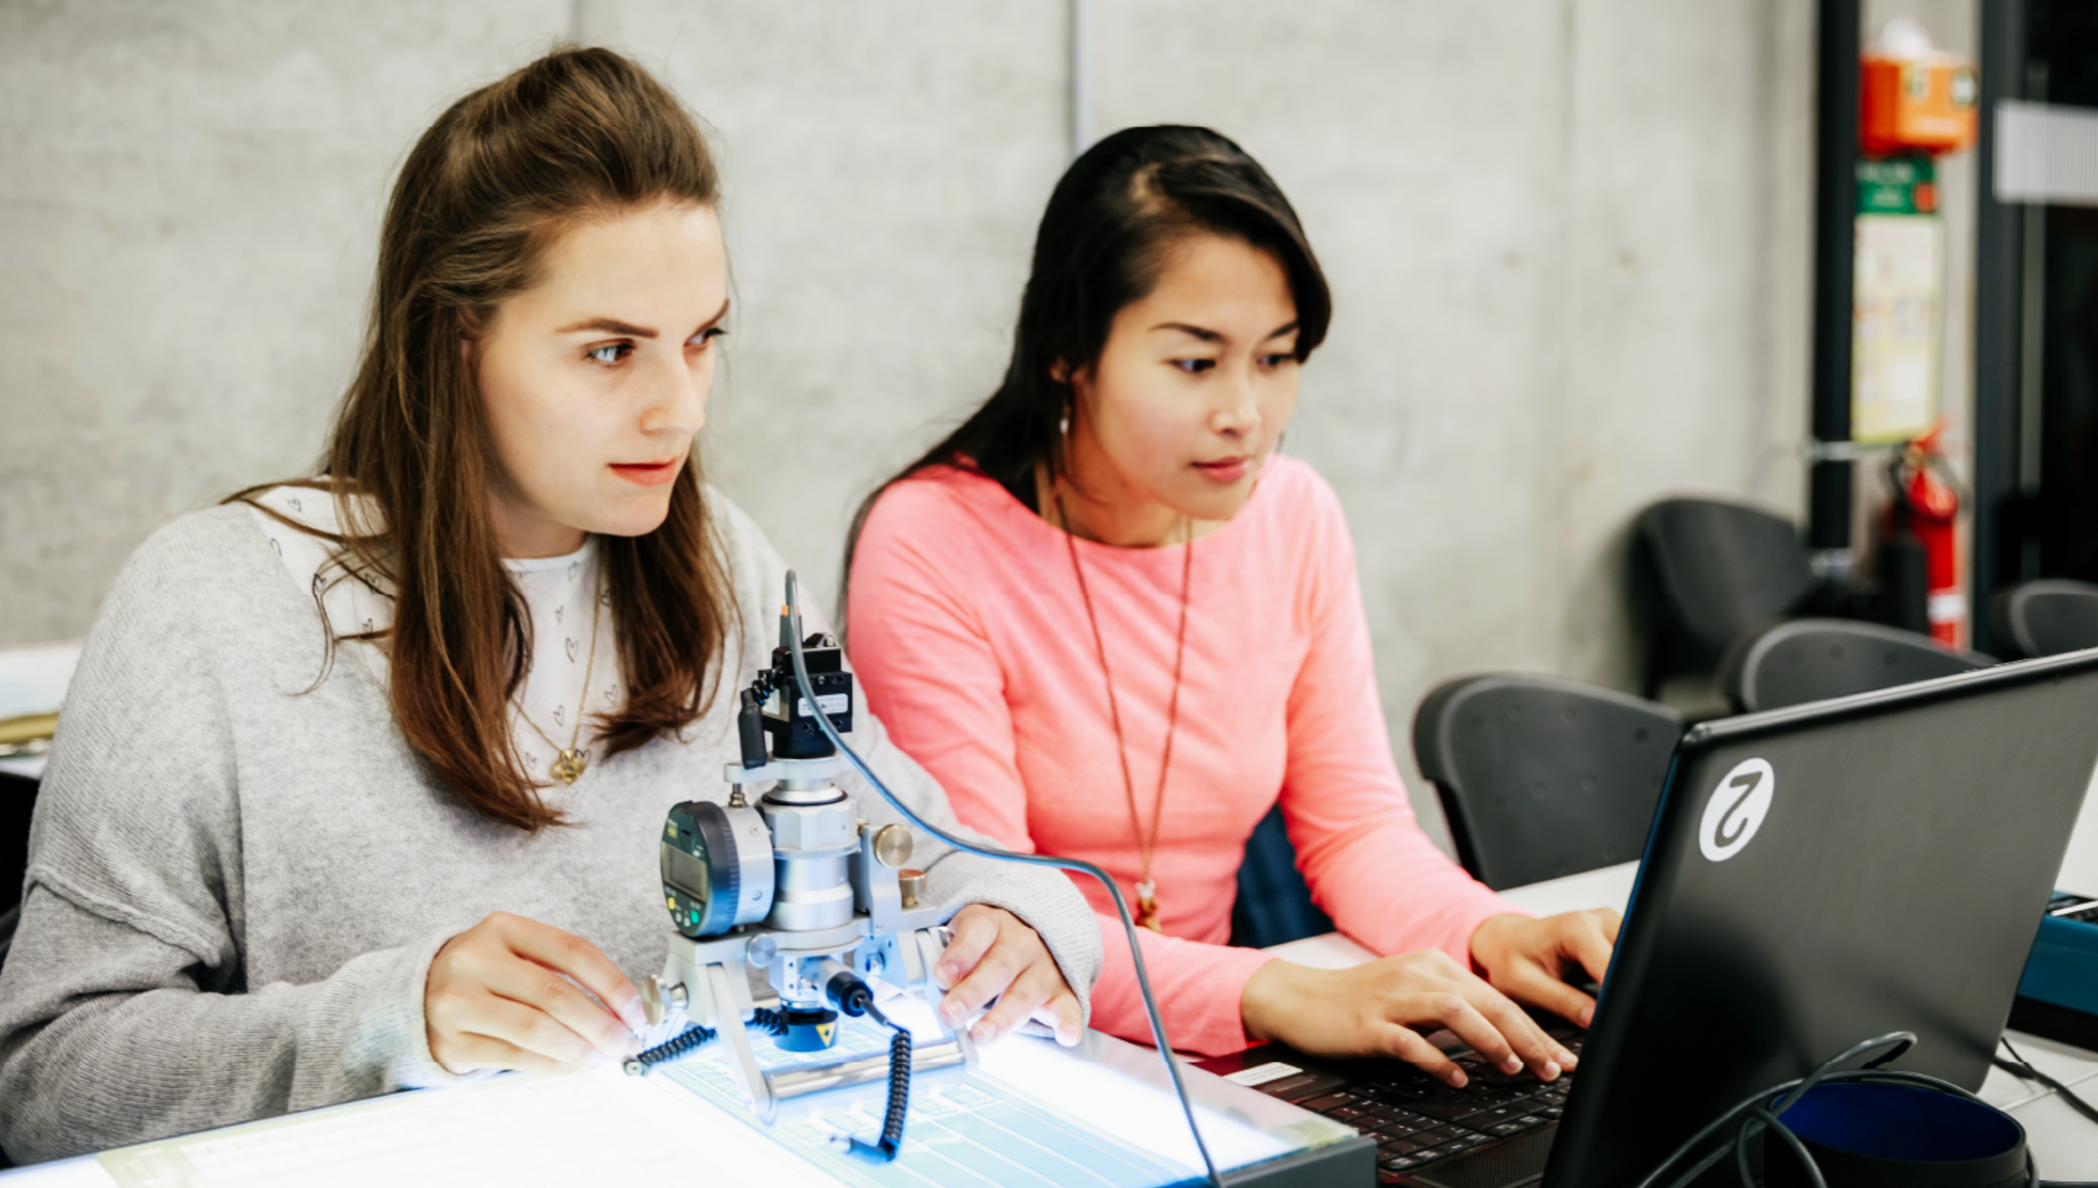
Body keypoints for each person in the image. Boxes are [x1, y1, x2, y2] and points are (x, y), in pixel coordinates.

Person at [0, 48, 1098, 1164]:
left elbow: (929, 842)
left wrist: (1023, 927)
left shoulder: (725, 558)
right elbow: (45, 1077)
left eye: (702, 339)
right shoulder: (210, 608)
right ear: (455, 340)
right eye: (610, 351)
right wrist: (387, 1021)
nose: (678, 410)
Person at [844, 126, 1616, 1080]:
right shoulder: (931, 541)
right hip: (1014, 1057)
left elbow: (1353, 829)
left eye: (1278, 357)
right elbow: (994, 912)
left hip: (1220, 1058)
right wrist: (1274, 993)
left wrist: (1493, 931)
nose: (1245, 415)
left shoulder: (1294, 515)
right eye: (1196, 363)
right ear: (1066, 350)